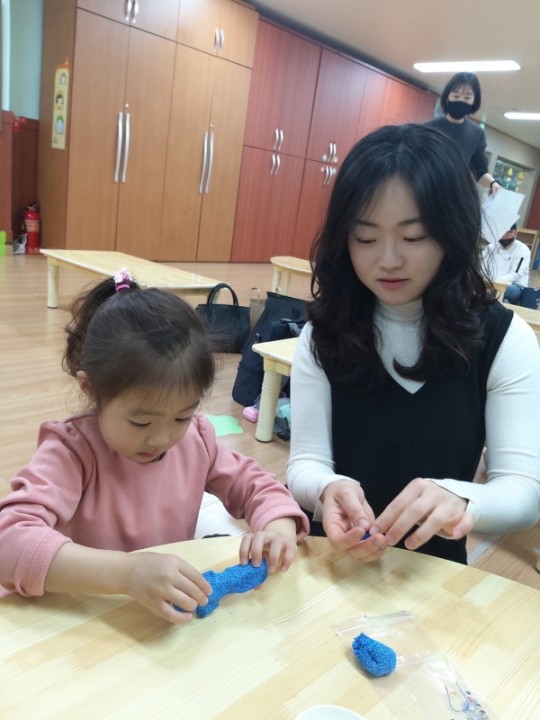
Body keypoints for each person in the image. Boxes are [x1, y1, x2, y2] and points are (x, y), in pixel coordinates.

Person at [286, 123, 540, 565]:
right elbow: (305, 462)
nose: (387, 259)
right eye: (365, 238)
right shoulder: (324, 332)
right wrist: (327, 487)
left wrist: (461, 499)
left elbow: (525, 491)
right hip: (334, 563)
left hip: (436, 575)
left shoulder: (503, 338)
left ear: (453, 232)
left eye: (414, 237)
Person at [0, 271, 309, 623]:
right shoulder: (72, 451)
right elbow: (9, 542)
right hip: (84, 618)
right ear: (91, 389)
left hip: (159, 621)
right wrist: (125, 574)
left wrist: (277, 527)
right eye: (141, 423)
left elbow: (256, 486)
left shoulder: (197, 440)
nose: (163, 439)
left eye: (181, 416)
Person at [426, 72, 502, 195]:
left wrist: (493, 183)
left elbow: (480, 171)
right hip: (425, 192)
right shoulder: (428, 129)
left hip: (453, 197)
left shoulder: (477, 135)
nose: (461, 101)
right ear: (447, 97)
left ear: (474, 101)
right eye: (456, 96)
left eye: (467, 98)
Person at [483, 223, 531, 304]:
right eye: (502, 232)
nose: (504, 235)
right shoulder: (489, 248)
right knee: (505, 301)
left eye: (508, 232)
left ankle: (487, 294)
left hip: (513, 286)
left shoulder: (523, 250)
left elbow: (516, 274)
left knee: (512, 292)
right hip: (488, 283)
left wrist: (493, 283)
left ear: (515, 233)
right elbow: (482, 268)